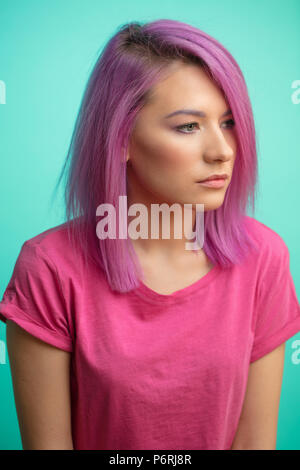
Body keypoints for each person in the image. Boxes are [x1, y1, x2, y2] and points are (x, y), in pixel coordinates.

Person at [1, 19, 300, 451]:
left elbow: (255, 441)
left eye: (229, 121)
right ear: (120, 138)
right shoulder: (50, 267)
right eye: (189, 126)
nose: (224, 150)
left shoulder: (263, 257)